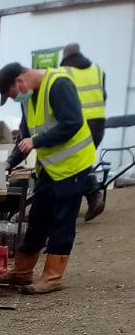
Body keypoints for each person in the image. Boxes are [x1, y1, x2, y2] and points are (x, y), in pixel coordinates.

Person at [0, 60, 97, 294]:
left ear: (20, 81)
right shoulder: (28, 99)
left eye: (12, 94)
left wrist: (37, 142)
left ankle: (52, 277)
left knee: (62, 221)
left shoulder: (58, 85)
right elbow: (26, 136)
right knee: (38, 217)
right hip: (50, 169)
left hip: (73, 166)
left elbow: (73, 122)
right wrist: (10, 162)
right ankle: (21, 272)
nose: (14, 99)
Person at [61, 42, 107, 220]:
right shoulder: (97, 70)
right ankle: (91, 197)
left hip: (78, 123)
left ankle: (93, 196)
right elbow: (104, 95)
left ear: (65, 57)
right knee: (81, 161)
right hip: (99, 123)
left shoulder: (64, 72)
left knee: (76, 162)